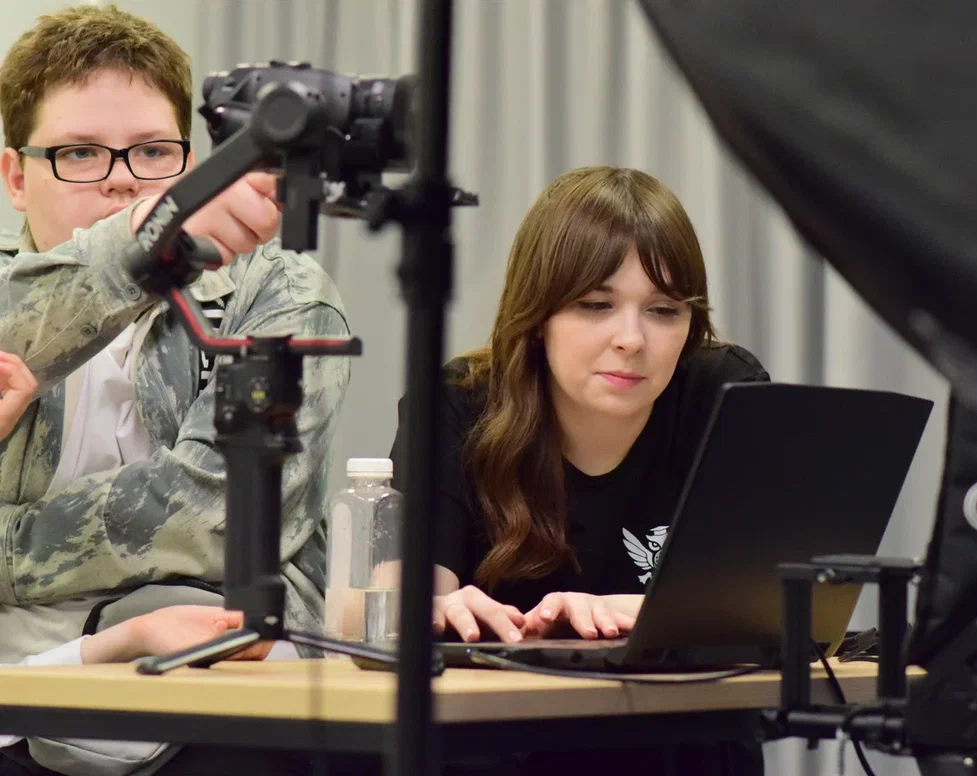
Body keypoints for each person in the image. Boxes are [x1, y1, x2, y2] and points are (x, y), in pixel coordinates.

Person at [0, 5, 349, 774]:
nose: (123, 178)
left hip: (218, 686)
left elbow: (220, 516)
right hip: (21, 694)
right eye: (80, 153)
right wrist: (144, 238)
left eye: (154, 151)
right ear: (16, 177)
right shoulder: (9, 305)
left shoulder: (277, 289)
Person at [389, 166, 770, 775]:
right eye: (596, 305)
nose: (631, 339)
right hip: (502, 751)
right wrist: (437, 606)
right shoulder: (456, 405)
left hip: (682, 752)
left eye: (664, 310)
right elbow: (394, 597)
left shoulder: (725, 393)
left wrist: (648, 617)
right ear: (538, 315)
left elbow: (771, 608)